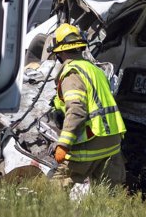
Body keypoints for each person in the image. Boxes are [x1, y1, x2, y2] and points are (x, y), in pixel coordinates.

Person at [49, 23, 126, 188]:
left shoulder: (72, 73)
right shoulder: (95, 70)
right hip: (112, 143)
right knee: (109, 198)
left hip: (91, 142)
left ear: (60, 52)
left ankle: (48, 214)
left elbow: (76, 110)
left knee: (56, 190)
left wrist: (63, 144)